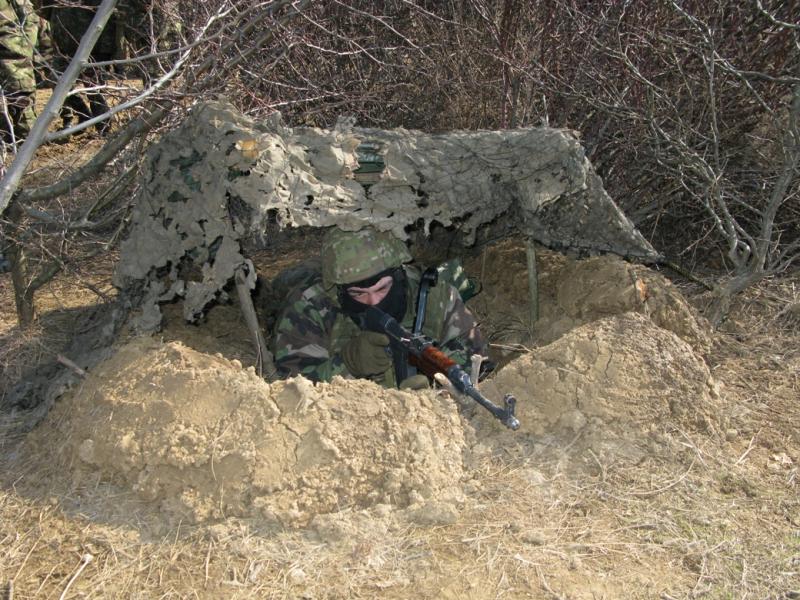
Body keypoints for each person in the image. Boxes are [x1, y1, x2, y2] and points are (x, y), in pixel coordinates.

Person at [272, 227, 487, 390]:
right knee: (286, 282)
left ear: (400, 276)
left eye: (382, 288)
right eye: (358, 293)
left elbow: (479, 364)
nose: (373, 301)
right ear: (338, 291)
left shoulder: (435, 297)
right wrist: (347, 364)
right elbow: (289, 390)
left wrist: (436, 386)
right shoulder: (310, 307)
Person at [0, 0, 38, 142]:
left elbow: (28, 15)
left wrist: (24, 47)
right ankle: (5, 140)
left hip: (9, 49)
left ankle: (29, 141)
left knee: (20, 94)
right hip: (10, 47)